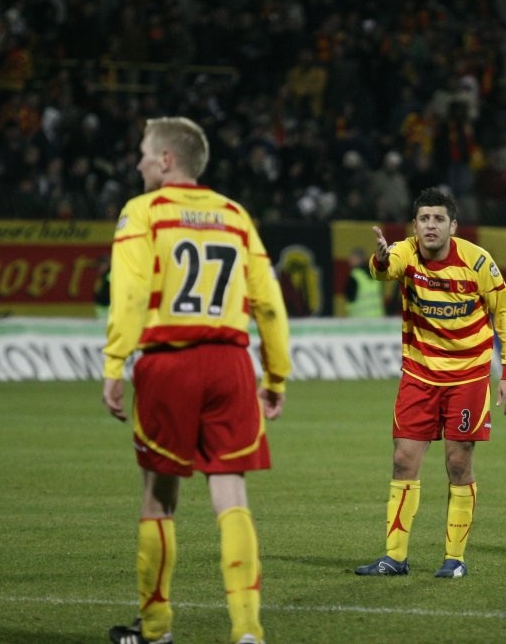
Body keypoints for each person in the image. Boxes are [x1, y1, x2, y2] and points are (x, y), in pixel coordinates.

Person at [101, 117, 291, 644]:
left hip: (170, 362)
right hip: (231, 365)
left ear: (166, 160)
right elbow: (268, 304)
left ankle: (156, 628)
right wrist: (276, 374)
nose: (138, 161)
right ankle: (247, 630)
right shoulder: (235, 215)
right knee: (231, 494)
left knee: (159, 497)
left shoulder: (143, 212)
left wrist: (114, 362)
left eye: (144, 152)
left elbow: (130, 295)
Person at [355, 187, 506, 579]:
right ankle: (394, 557)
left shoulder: (478, 262)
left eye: (438, 219)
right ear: (415, 226)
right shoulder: (404, 252)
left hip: (468, 376)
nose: (431, 225)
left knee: (458, 463)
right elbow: (385, 269)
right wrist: (380, 260)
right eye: (424, 219)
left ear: (453, 226)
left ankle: (455, 558)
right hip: (419, 374)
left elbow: (504, 315)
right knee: (403, 459)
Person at [344, 246, 384, 317]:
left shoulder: (354, 276)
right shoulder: (375, 273)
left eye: (352, 258)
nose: (349, 260)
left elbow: (350, 298)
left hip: (360, 320)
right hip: (378, 319)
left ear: (358, 259)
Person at [93, 255, 111, 319]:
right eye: (99, 265)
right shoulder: (101, 276)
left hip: (108, 307)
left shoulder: (110, 276)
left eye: (102, 265)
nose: (100, 267)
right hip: (101, 307)